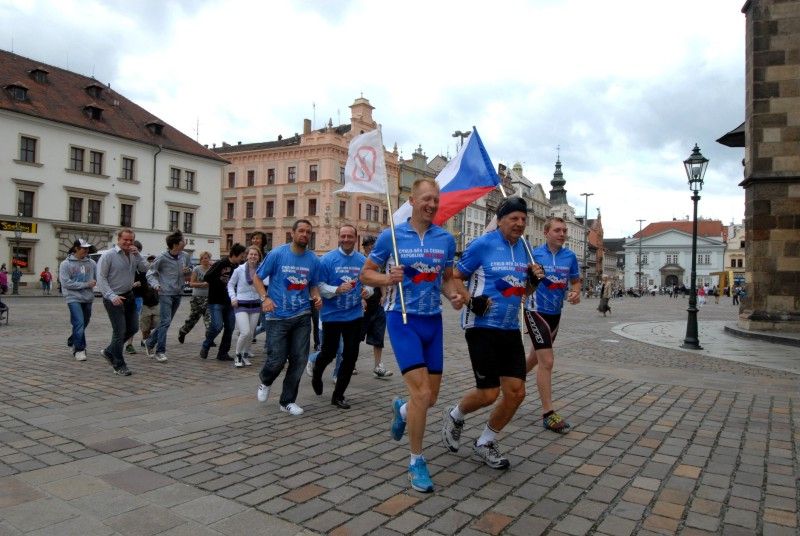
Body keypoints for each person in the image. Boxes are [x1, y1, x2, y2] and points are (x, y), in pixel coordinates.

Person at [360, 178, 464, 493]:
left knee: (429, 398)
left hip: (432, 322)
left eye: (436, 200)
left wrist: (454, 296)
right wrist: (386, 277)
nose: (432, 205)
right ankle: (416, 461)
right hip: (402, 319)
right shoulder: (390, 236)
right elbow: (365, 273)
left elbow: (446, 280)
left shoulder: (445, 239)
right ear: (412, 200)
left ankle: (402, 411)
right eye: (427, 199)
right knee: (421, 394)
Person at [443, 197, 542, 469]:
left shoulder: (524, 248)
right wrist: (470, 299)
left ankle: (485, 441)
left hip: (510, 328)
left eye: (523, 219)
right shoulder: (483, 244)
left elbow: (524, 292)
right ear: (500, 220)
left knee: (516, 393)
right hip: (481, 327)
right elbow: (455, 277)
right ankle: (456, 415)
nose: (520, 223)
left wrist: (532, 282)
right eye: (514, 218)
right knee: (488, 393)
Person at [254, 219, 322, 416]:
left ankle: (287, 401)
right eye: (301, 231)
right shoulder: (277, 254)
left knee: (299, 359)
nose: (304, 235)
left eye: (308, 232)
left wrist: (316, 297)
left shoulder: (313, 259)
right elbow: (258, 278)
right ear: (292, 233)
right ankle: (266, 380)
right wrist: (264, 298)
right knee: (277, 360)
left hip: (301, 314)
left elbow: (313, 285)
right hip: (277, 315)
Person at [524, 216, 581, 433]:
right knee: (546, 360)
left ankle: (511, 380)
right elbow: (523, 280)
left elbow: (575, 281)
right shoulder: (534, 254)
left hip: (555, 314)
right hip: (535, 311)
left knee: (535, 357)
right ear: (546, 232)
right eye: (558, 230)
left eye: (564, 230)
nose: (562, 234)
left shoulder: (570, 257)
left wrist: (575, 292)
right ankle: (548, 413)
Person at [311, 224, 371, 409]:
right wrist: (336, 289)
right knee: (328, 353)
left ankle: (338, 395)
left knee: (351, 356)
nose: (346, 239)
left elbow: (369, 285)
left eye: (349, 236)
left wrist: (367, 292)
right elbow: (318, 285)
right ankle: (317, 372)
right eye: (343, 236)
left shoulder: (362, 260)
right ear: (339, 237)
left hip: (354, 315)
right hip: (332, 315)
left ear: (355, 238)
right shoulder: (327, 260)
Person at [96, 228, 147, 376]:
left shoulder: (132, 255)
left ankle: (109, 351)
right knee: (120, 331)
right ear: (118, 239)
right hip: (114, 298)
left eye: (131, 240)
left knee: (133, 328)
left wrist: (138, 255)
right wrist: (111, 296)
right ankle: (119, 364)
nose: (128, 242)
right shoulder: (108, 256)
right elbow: (101, 278)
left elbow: (144, 268)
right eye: (125, 239)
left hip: (129, 295)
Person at [145, 230, 191, 362]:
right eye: (183, 240)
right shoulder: (162, 257)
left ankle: (149, 343)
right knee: (165, 321)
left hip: (178, 292)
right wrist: (155, 285)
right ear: (175, 244)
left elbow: (190, 269)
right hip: (165, 292)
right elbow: (150, 273)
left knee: (167, 321)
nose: (185, 242)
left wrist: (189, 270)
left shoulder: (185, 256)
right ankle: (160, 351)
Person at [201, 243, 246, 361]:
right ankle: (206, 345)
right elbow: (207, 277)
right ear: (235, 255)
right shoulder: (221, 263)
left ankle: (223, 353)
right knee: (217, 326)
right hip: (216, 300)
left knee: (230, 327)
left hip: (231, 302)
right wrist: (221, 283)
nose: (243, 258)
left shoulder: (239, 267)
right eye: (241, 256)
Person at [59, 239, 97, 361]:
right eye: (84, 248)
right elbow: (66, 283)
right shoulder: (66, 264)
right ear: (76, 248)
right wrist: (86, 284)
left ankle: (73, 339)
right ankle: (79, 349)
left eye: (87, 248)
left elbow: (97, 277)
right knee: (79, 322)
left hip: (88, 298)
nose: (86, 250)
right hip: (73, 297)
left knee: (84, 323)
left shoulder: (91, 263)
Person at [360, 235, 393, 379]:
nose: (372, 247)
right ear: (365, 247)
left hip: (378, 303)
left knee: (379, 335)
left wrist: (384, 295)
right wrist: (360, 298)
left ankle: (378, 366)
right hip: (364, 303)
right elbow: (358, 280)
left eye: (374, 244)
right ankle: (351, 363)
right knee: (357, 336)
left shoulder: (379, 261)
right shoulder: (360, 260)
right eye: (369, 245)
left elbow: (381, 280)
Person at [228, 246, 263, 368]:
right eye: (251, 254)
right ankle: (237, 354)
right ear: (246, 256)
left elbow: (267, 285)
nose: (253, 257)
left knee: (251, 333)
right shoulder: (239, 270)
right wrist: (233, 298)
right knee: (245, 332)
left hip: (255, 304)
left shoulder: (262, 270)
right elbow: (230, 285)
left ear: (259, 257)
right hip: (241, 304)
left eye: (256, 255)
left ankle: (244, 354)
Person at [178, 251, 212, 344]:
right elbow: (191, 283)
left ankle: (209, 338)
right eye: (203, 258)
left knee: (209, 319)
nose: (205, 260)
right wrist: (202, 284)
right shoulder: (197, 269)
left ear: (210, 259)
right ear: (200, 260)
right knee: (193, 318)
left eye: (207, 258)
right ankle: (183, 331)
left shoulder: (212, 269)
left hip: (209, 297)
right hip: (197, 297)